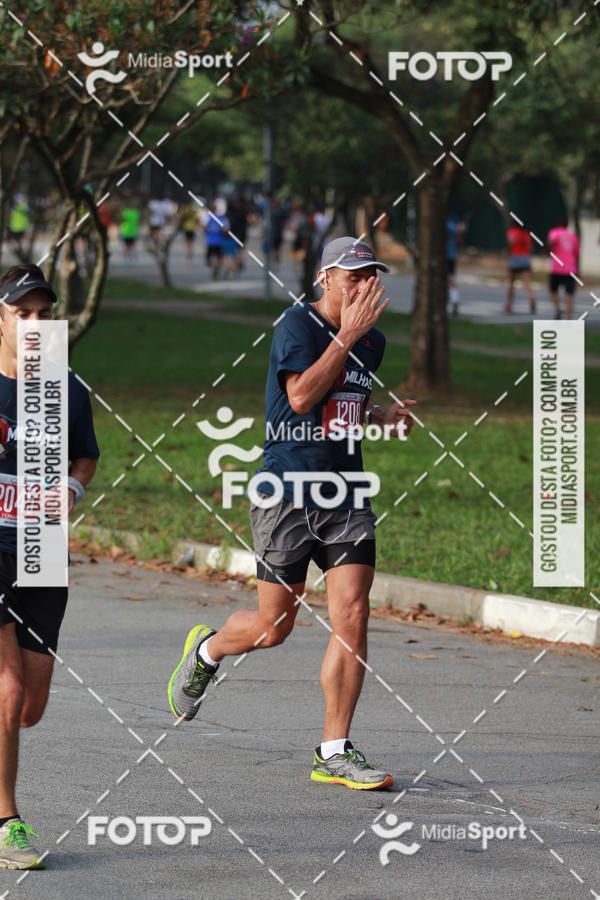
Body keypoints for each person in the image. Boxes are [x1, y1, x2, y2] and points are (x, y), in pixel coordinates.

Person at [167, 236, 416, 791]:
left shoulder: (371, 343)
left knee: (352, 611)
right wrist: (347, 336)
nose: (364, 285)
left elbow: (341, 406)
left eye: (371, 275)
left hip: (346, 493)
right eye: (353, 276)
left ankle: (333, 748)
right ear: (325, 278)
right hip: (286, 493)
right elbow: (302, 397)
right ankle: (207, 651)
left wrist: (382, 416)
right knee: (274, 626)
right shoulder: (296, 327)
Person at [0, 264, 99, 869]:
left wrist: (71, 488)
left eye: (44, 313)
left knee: (29, 708)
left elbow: (85, 456)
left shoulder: (65, 387)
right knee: (7, 694)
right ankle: (7, 820)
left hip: (39, 546)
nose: (35, 324)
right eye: (22, 313)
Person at [547, 219, 580, 320]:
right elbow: (577, 253)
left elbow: (550, 243)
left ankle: (557, 309)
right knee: (569, 294)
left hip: (556, 268)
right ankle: (568, 318)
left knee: (553, 290)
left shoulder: (554, 233)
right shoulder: (573, 236)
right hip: (570, 269)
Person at [505, 224, 535, 314]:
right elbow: (530, 248)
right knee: (527, 283)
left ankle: (509, 304)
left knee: (511, 282)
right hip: (525, 258)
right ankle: (531, 298)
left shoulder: (512, 232)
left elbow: (510, 243)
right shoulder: (526, 234)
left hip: (515, 258)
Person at [204, 203, 228, 280]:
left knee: (209, 257)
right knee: (220, 258)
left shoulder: (208, 217)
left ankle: (213, 268)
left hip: (210, 241)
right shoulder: (221, 218)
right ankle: (216, 268)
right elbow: (226, 229)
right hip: (219, 241)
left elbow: (204, 227)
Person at [446, 214, 464, 316]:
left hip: (445, 256)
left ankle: (454, 300)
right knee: (451, 280)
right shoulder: (453, 226)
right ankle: (454, 299)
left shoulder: (447, 225)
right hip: (451, 256)